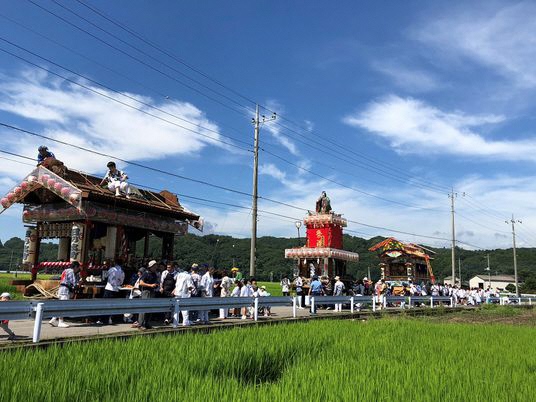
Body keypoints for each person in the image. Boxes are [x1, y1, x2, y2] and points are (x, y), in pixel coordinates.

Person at [49, 261, 81, 328]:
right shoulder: (71, 271)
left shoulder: (65, 270)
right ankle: (61, 321)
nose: (78, 269)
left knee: (59, 306)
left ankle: (53, 319)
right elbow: (74, 282)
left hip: (61, 289)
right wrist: (79, 283)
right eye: (78, 268)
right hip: (65, 290)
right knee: (63, 306)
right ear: (75, 267)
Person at [99, 257, 125, 325]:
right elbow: (121, 282)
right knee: (113, 305)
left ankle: (104, 319)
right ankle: (111, 319)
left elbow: (105, 276)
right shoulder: (122, 271)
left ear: (115, 263)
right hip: (116, 289)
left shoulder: (112, 269)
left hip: (109, 288)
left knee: (105, 305)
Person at [136, 260, 159, 330]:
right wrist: (150, 285)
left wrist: (156, 285)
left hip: (152, 291)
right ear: (151, 266)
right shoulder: (145, 273)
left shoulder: (154, 274)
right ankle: (141, 324)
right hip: (146, 291)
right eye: (154, 266)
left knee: (150, 308)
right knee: (144, 308)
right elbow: (141, 283)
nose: (156, 267)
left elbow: (155, 282)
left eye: (156, 266)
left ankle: (147, 323)